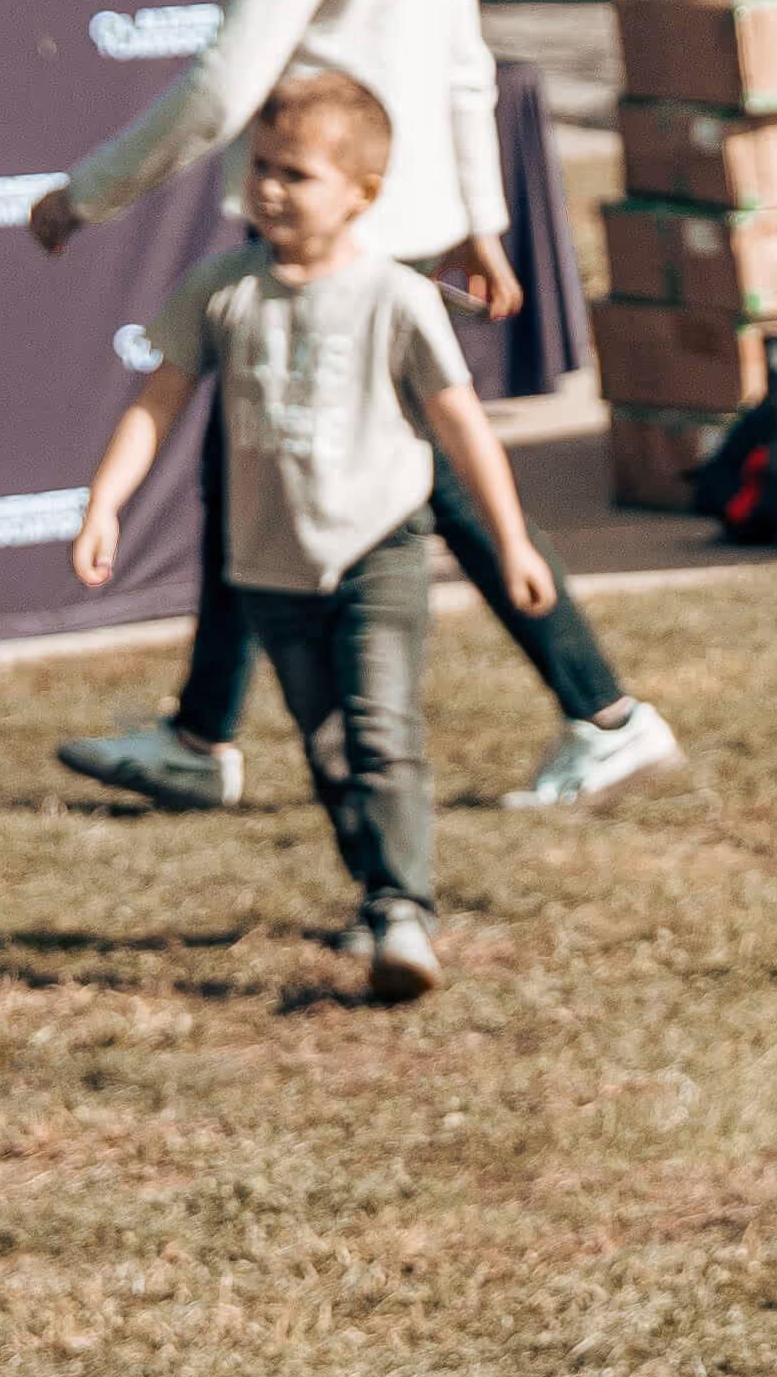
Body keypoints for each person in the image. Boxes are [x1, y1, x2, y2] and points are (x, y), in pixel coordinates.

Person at [34, 0, 671, 822]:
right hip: (405, 231)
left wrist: (88, 194)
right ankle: (200, 734)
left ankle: (603, 710)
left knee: (427, 490)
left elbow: (231, 81)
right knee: (267, 467)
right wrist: (480, 217)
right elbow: (461, 64)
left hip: (335, 242)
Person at [66, 66, 553, 1005]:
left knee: (381, 729)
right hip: (269, 567)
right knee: (329, 746)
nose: (271, 189)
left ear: (362, 195)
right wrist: (105, 502)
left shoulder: (397, 300)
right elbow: (155, 406)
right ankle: (377, 892)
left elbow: (462, 428)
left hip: (380, 551)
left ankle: (405, 909)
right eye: (262, 168)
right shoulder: (219, 289)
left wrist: (514, 543)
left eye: (298, 174)